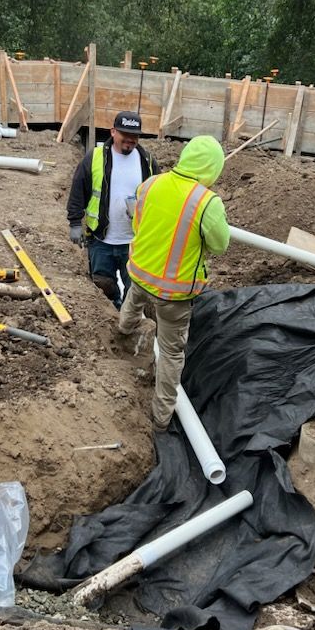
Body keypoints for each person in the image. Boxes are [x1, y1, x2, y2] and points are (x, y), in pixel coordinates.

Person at [117, 135, 230, 431]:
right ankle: (161, 417)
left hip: (140, 272)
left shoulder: (151, 184)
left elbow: (138, 223)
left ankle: (123, 330)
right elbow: (220, 245)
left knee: (132, 302)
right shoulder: (207, 202)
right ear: (212, 168)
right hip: (173, 293)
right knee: (170, 353)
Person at [66, 111, 159, 308]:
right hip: (101, 239)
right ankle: (113, 307)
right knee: (102, 283)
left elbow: (158, 197)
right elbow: (78, 189)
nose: (130, 140)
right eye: (125, 135)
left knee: (134, 289)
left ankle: (126, 316)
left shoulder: (147, 161)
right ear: (113, 132)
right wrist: (75, 223)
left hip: (135, 241)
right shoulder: (95, 157)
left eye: (134, 136)